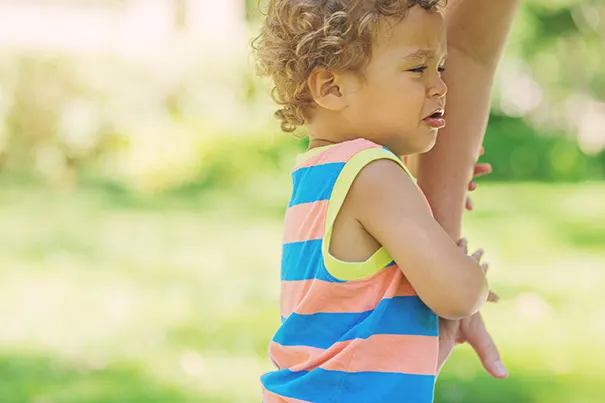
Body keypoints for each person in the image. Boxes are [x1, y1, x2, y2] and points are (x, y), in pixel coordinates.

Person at [254, 1, 511, 401]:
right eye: (417, 68)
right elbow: (457, 295)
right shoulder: (375, 174)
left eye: (440, 67)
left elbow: (367, 323)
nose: (441, 86)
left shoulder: (319, 172)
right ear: (331, 87)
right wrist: (473, 275)